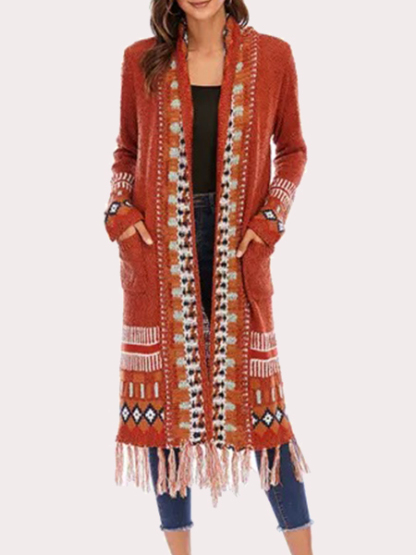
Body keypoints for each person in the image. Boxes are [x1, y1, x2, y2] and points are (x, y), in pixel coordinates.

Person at [104, 1, 313, 554]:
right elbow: (126, 151)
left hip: (238, 245)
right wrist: (120, 215)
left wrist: (269, 223)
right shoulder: (141, 60)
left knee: (264, 412)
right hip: (157, 247)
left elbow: (293, 150)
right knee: (163, 411)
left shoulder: (273, 57)